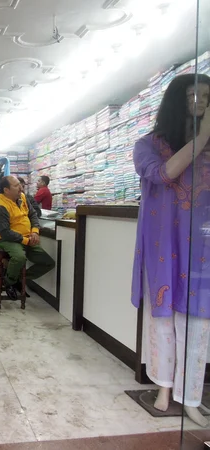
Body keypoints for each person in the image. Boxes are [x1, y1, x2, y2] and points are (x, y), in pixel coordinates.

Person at [131, 73, 210, 427]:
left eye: (207, 97)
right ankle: (163, 387)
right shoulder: (147, 144)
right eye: (194, 96)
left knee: (198, 325)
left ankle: (190, 396)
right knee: (162, 321)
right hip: (164, 246)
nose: (202, 103)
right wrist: (205, 134)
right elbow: (164, 175)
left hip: (204, 250)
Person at [0, 176, 55, 299]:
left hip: (27, 238)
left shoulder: (22, 198)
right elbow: (5, 232)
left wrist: (35, 231)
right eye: (16, 185)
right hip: (6, 240)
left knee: (48, 263)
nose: (20, 187)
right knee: (20, 257)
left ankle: (17, 278)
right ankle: (9, 282)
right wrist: (26, 240)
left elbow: (33, 214)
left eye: (19, 184)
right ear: (6, 190)